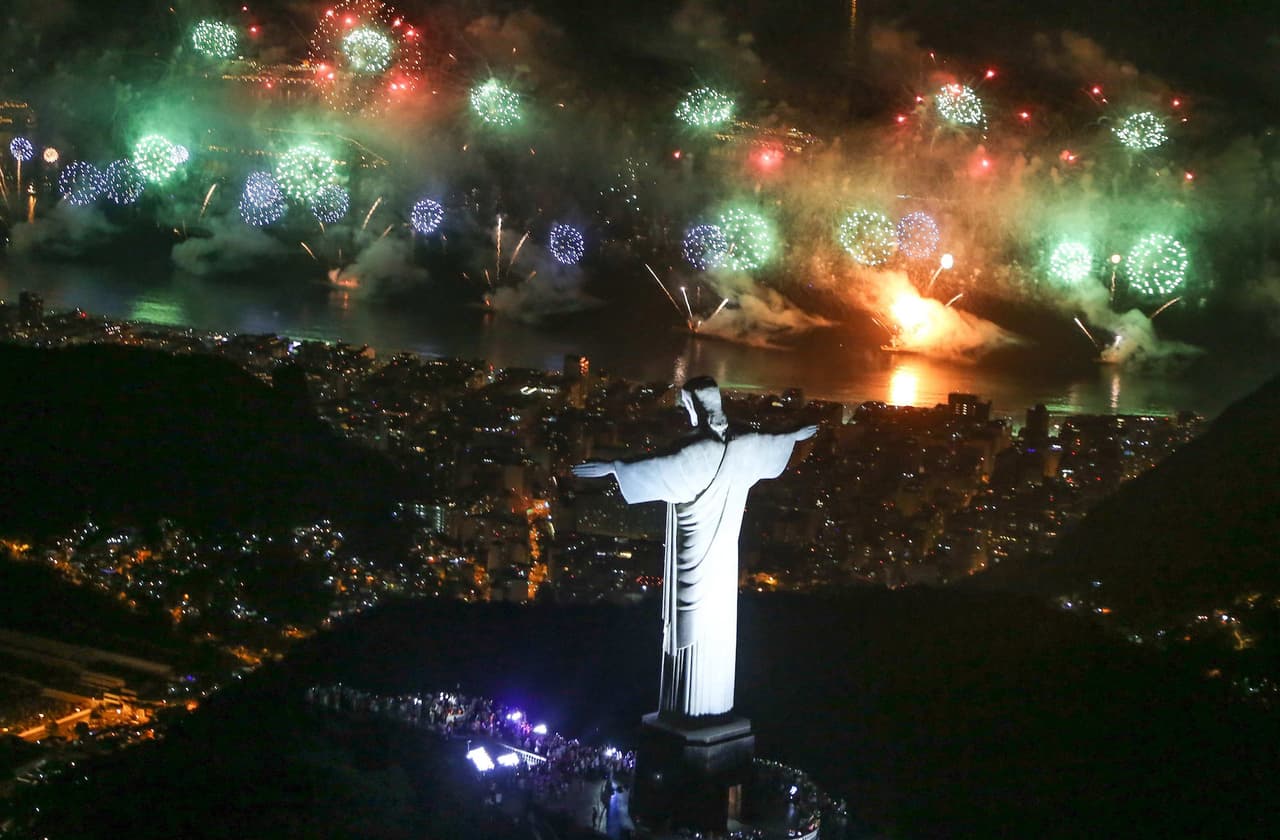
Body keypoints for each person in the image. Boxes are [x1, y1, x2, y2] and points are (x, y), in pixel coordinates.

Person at [573, 377, 816, 718]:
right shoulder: (744, 441)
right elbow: (771, 442)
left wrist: (613, 468)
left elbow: (656, 468)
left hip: (693, 554)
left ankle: (686, 714)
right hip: (724, 558)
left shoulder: (695, 451)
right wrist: (793, 435)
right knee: (717, 625)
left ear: (691, 406)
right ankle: (709, 710)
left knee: (690, 624)